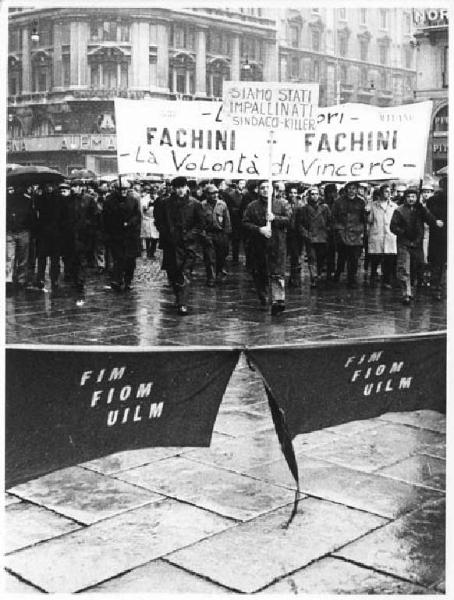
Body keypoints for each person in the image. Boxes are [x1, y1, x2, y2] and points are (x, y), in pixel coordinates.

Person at [154, 176, 205, 315]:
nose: (180, 190)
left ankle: (183, 303)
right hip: (171, 245)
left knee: (184, 273)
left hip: (188, 246)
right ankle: (178, 296)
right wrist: (165, 232)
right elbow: (158, 221)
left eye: (182, 187)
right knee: (173, 273)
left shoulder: (195, 204)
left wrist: (189, 235)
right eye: (177, 188)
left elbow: (200, 224)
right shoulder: (165, 203)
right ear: (173, 188)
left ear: (187, 187)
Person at [242, 180, 291, 315]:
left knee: (277, 273)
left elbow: (289, 220)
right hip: (258, 245)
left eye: (267, 187)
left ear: (273, 189)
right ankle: (264, 297)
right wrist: (259, 229)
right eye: (262, 188)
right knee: (260, 273)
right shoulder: (252, 206)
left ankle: (278, 300)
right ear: (258, 190)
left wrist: (275, 218)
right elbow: (245, 223)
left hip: (277, 244)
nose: (265, 190)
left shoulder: (282, 203)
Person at [390, 187, 443, 305]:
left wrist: (435, 222)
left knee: (417, 266)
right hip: (404, 243)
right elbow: (393, 227)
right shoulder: (399, 210)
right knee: (404, 267)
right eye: (408, 196)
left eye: (413, 196)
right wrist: (403, 232)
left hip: (417, 243)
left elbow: (429, 218)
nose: (411, 199)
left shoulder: (420, 209)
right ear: (405, 198)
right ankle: (406, 293)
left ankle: (412, 289)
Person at [103, 182, 142, 291]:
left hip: (130, 235)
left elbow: (137, 216)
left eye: (125, 189)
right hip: (116, 235)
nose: (123, 192)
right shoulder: (109, 201)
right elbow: (105, 219)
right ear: (116, 189)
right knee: (118, 259)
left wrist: (130, 223)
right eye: (121, 189)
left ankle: (128, 281)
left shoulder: (133, 200)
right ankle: (117, 279)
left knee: (130, 260)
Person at [332, 181, 367, 288]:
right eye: (350, 188)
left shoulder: (361, 202)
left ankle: (351, 279)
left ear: (357, 190)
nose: (352, 191)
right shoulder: (339, 202)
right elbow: (334, 217)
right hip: (343, 233)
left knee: (354, 258)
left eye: (354, 188)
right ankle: (338, 273)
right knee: (342, 257)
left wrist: (361, 231)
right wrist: (339, 230)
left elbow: (363, 219)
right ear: (346, 189)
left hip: (356, 234)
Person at [297, 185, 331, 287]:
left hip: (322, 237)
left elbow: (330, 221)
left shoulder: (325, 208)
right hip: (310, 237)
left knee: (321, 258)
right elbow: (300, 224)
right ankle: (313, 277)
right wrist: (305, 234)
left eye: (316, 194)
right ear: (308, 196)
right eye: (312, 194)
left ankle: (318, 273)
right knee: (312, 258)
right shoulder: (304, 209)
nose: (314, 196)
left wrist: (327, 231)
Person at [35, 182, 66, 291]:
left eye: (51, 185)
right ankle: (40, 278)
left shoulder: (59, 199)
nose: (49, 187)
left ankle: (54, 278)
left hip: (55, 233)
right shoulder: (39, 198)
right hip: (44, 232)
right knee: (42, 257)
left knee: (55, 258)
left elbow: (63, 215)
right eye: (47, 185)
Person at [367, 184, 397, 289]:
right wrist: (367, 211)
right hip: (377, 235)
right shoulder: (373, 205)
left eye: (389, 192)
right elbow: (369, 220)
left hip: (389, 236)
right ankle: (373, 276)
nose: (387, 194)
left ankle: (386, 281)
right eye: (385, 192)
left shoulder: (394, 206)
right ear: (381, 193)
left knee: (389, 260)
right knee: (375, 258)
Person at [201, 183, 232, 286]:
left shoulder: (222, 204)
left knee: (221, 255)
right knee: (209, 257)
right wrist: (203, 234)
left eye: (216, 193)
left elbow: (227, 220)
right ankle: (211, 278)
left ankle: (220, 273)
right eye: (211, 193)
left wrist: (227, 234)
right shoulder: (202, 205)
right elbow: (200, 221)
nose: (214, 195)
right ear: (206, 194)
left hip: (221, 234)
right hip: (208, 233)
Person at [6, 184, 34, 292]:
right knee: (11, 257)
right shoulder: (8, 199)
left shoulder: (28, 200)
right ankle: (10, 279)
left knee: (20, 257)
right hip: (13, 231)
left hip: (22, 231)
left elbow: (31, 217)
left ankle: (18, 279)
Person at [426, 176, 447, 301]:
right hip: (438, 236)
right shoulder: (433, 200)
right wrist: (435, 221)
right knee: (438, 264)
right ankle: (436, 288)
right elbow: (427, 216)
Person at [286, 184, 304, 287]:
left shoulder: (300, 205)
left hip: (297, 234)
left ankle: (294, 278)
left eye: (295, 193)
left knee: (296, 256)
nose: (293, 195)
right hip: (287, 232)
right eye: (291, 193)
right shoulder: (285, 204)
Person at [225, 179, 246, 264]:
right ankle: (235, 258)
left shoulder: (246, 194)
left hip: (244, 219)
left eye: (244, 183)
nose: (242, 185)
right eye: (241, 183)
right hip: (235, 220)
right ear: (237, 184)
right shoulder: (231, 195)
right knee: (235, 240)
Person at [140, 185, 160, 259]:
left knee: (155, 238)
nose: (153, 193)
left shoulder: (158, 198)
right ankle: (148, 252)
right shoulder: (144, 199)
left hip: (155, 219)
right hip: (147, 219)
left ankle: (152, 252)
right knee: (148, 238)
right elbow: (142, 210)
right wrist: (148, 205)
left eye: (155, 191)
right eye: (152, 191)